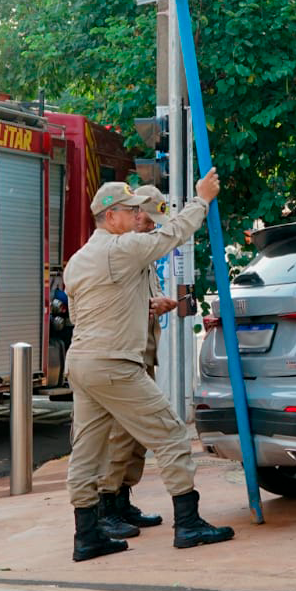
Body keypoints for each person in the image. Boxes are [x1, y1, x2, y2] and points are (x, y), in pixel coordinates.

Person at [63, 171, 234, 561]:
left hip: (83, 362)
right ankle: (188, 524)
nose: (136, 214)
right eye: (129, 210)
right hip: (114, 364)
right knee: (172, 434)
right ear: (111, 217)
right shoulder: (119, 249)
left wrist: (145, 306)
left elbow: (87, 312)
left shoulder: (78, 261)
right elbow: (170, 235)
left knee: (87, 452)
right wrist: (201, 200)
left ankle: (86, 536)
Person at [91, 184, 176, 539]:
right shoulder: (113, 252)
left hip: (143, 351)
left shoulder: (139, 255)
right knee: (119, 434)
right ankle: (105, 505)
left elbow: (146, 296)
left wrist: (160, 303)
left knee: (135, 437)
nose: (152, 226)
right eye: (147, 218)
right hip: (121, 355)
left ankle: (122, 499)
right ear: (131, 213)